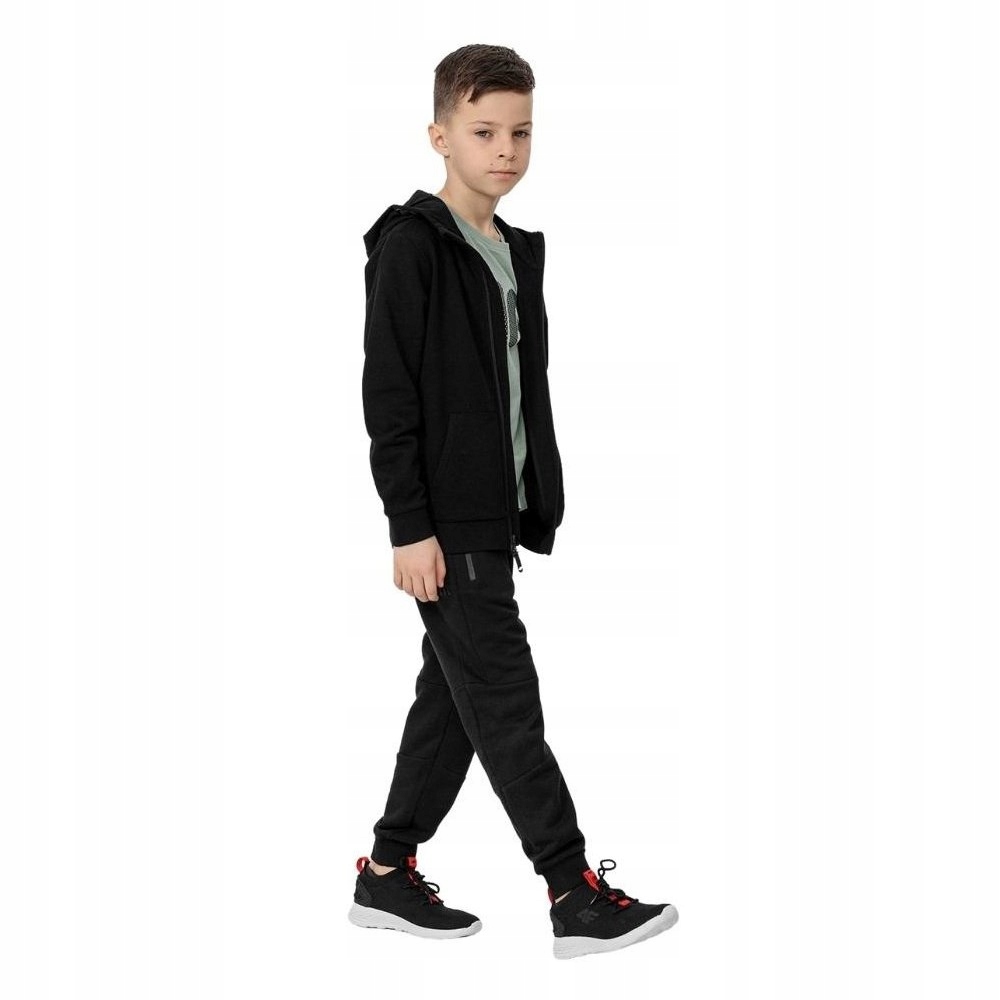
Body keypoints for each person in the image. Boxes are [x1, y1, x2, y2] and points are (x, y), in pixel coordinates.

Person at [350, 43, 679, 960]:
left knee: (454, 702)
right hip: (446, 523)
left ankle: (386, 874)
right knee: (504, 702)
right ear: (439, 136)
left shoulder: (512, 250)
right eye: (484, 131)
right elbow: (390, 396)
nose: (505, 150)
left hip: (495, 517)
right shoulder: (414, 247)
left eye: (521, 132)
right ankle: (572, 890)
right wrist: (409, 525)